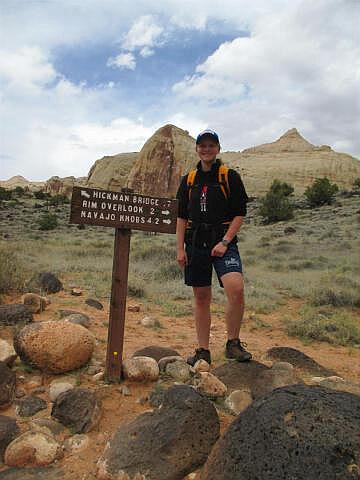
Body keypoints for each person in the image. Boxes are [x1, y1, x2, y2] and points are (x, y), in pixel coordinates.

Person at [176, 129, 252, 366]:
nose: (206, 149)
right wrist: (180, 248)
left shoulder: (229, 176)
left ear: (218, 148)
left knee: (236, 288)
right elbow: (180, 217)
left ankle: (233, 343)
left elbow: (240, 213)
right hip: (196, 242)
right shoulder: (189, 180)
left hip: (223, 241)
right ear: (197, 149)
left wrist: (225, 241)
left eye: (211, 145)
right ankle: (202, 350)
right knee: (201, 296)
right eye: (202, 146)